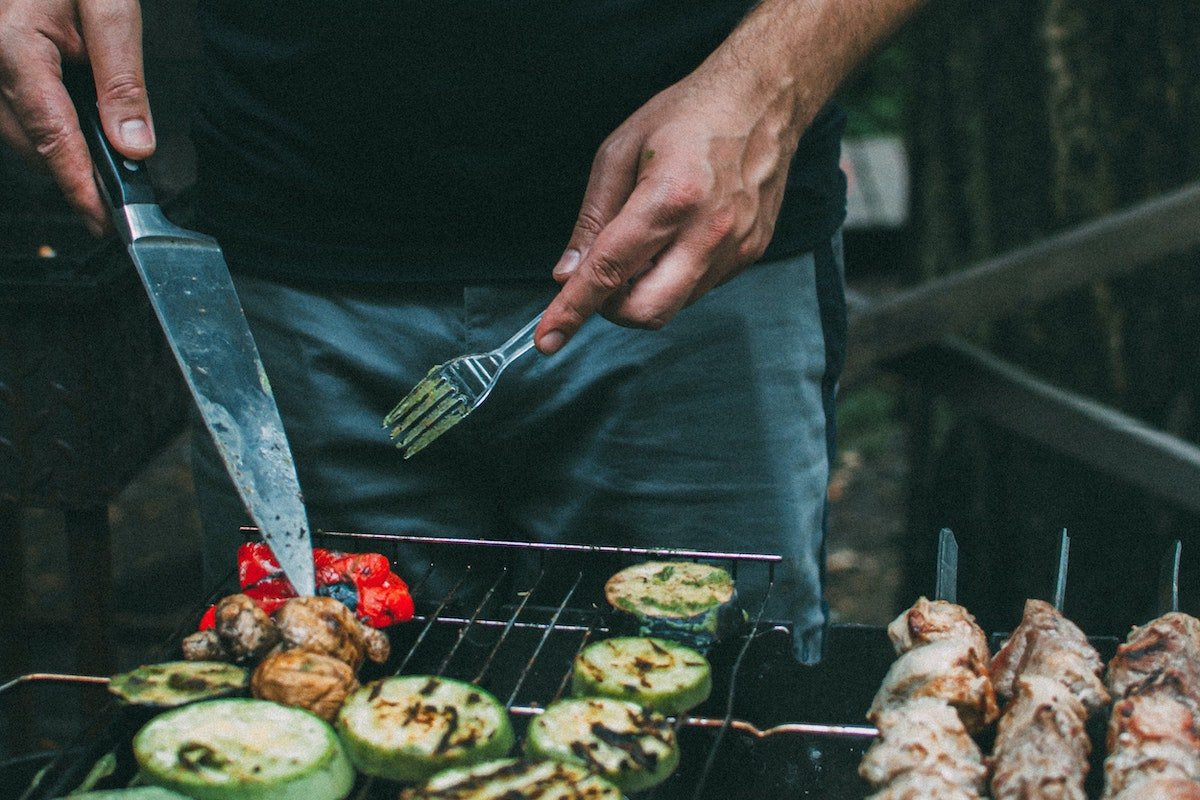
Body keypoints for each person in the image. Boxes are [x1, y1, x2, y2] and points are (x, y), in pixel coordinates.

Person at [0, 0, 923, 663]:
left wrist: (774, 79)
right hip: (288, 264)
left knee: (728, 711)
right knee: (291, 686)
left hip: (691, 262)